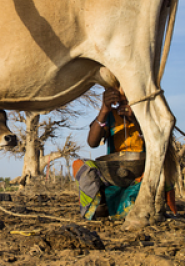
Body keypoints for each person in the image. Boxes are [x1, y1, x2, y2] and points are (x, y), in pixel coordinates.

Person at [73, 87, 175, 220]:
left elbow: (158, 143)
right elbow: (92, 142)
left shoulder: (150, 115)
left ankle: (142, 207)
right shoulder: (110, 116)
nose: (124, 103)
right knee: (81, 165)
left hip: (142, 173)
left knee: (160, 170)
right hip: (113, 174)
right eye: (120, 100)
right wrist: (104, 110)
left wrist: (136, 121)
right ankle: (99, 205)